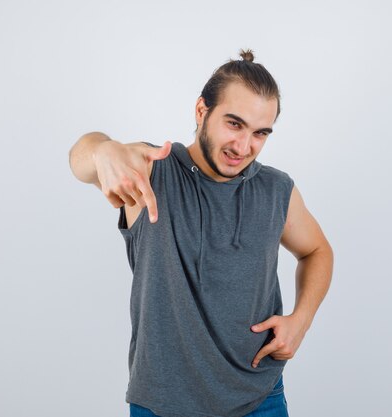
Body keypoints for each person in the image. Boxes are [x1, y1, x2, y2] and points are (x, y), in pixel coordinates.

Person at [68, 49, 333, 417]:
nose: (244, 147)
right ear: (201, 111)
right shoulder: (151, 170)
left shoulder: (276, 190)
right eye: (234, 124)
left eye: (260, 133)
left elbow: (317, 250)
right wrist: (103, 151)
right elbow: (81, 157)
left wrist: (300, 321)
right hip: (162, 402)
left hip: (259, 397)